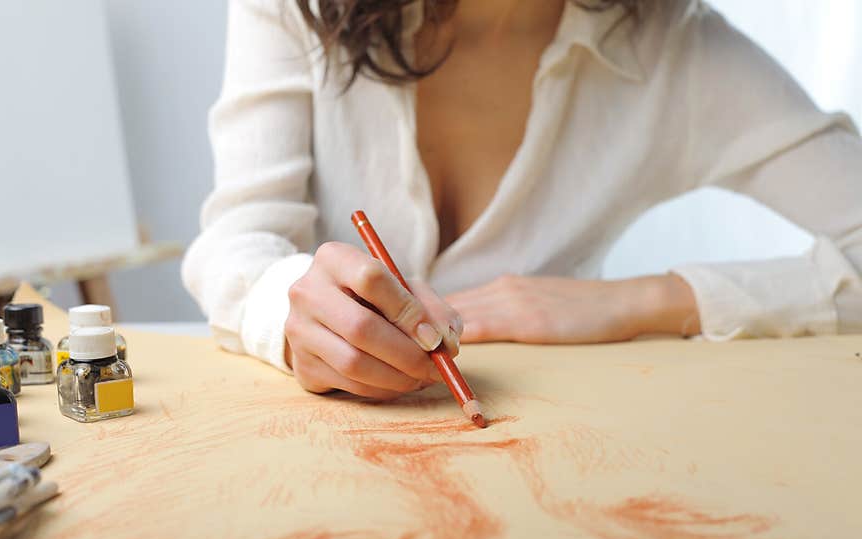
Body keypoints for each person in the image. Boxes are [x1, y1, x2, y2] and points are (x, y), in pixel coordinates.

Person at [183, 0, 862, 400]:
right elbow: (238, 237)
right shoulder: (302, 10)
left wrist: (642, 301)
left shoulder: (676, 51)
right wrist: (286, 311)